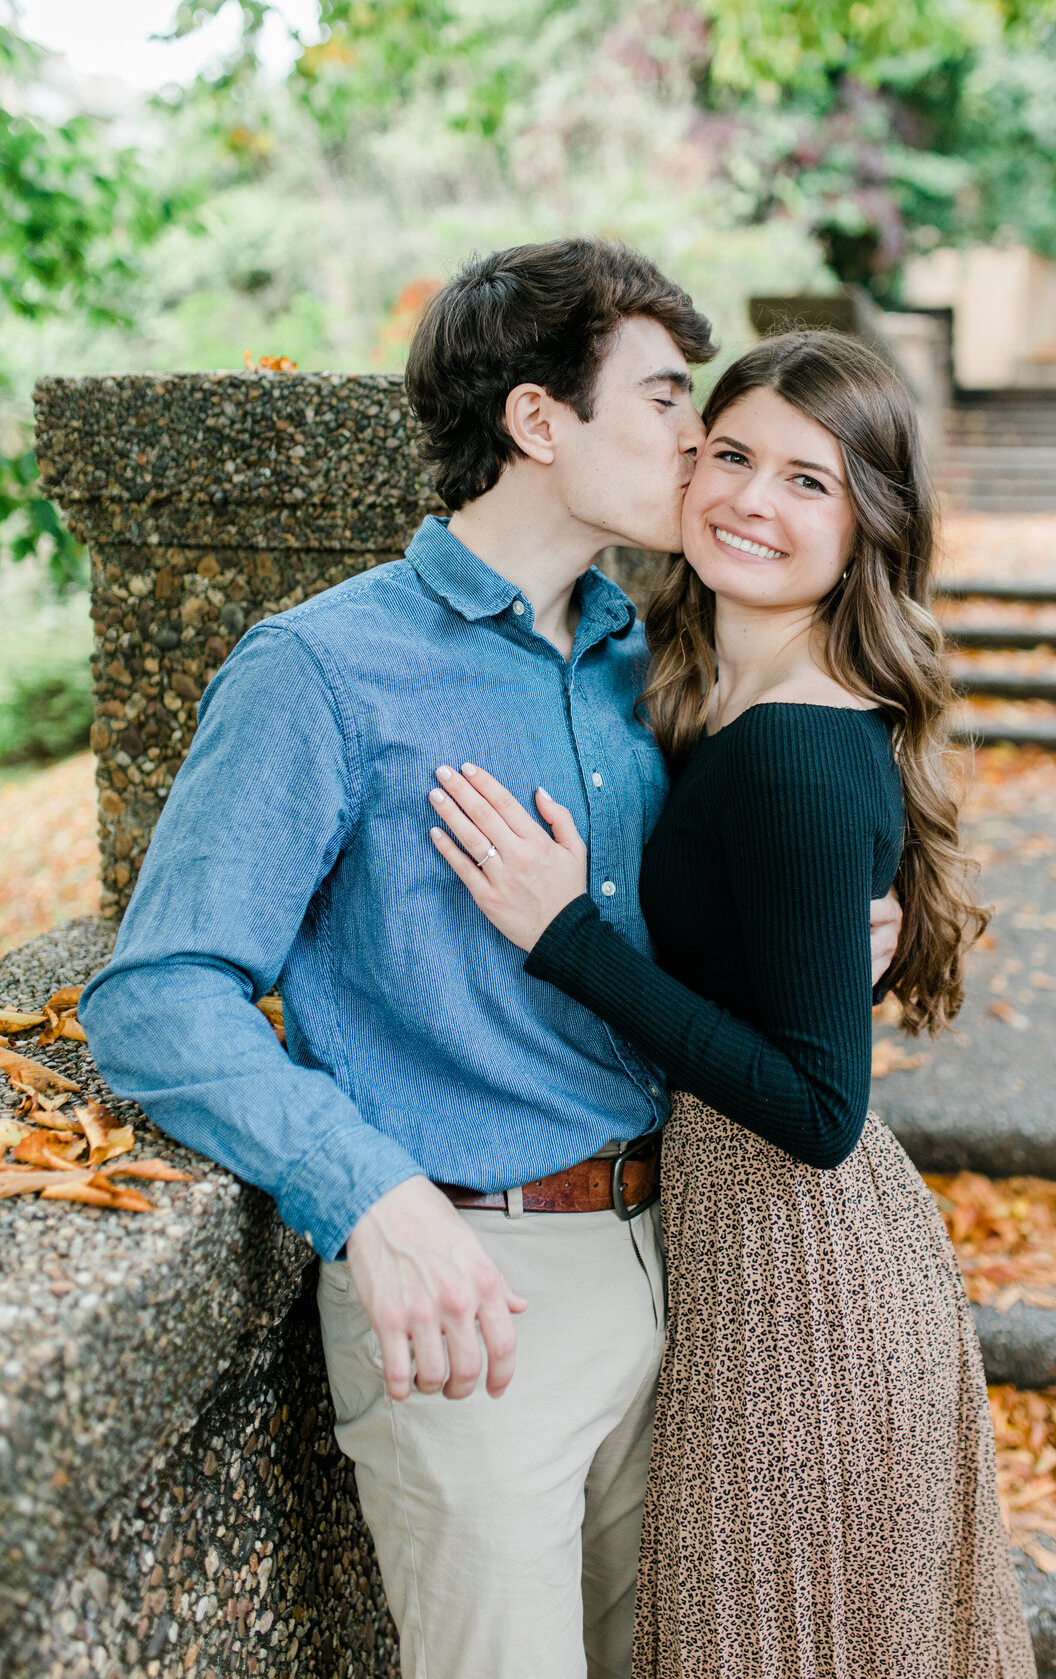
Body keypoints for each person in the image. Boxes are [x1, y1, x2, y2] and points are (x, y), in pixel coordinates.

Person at [79, 243, 903, 1679]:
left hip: (688, 1268)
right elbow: (157, 996)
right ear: (538, 421)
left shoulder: (647, 663)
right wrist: (370, 1199)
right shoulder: (321, 669)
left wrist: (845, 951)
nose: (698, 449)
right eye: (663, 403)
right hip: (479, 1294)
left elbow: (740, 902)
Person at [427, 330, 1037, 1678]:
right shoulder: (708, 695)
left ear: (870, 523)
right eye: (733, 455)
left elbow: (819, 1109)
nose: (754, 499)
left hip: (802, 1270)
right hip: (736, 1244)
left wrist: (565, 937)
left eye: (809, 482)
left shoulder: (801, 753)